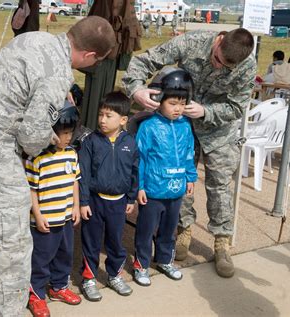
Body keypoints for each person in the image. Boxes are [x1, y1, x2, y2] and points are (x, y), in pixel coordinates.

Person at [0, 16, 116, 317]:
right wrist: (55, 136)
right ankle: (8, 311)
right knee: (11, 246)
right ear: (89, 56)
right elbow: (32, 139)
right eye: (97, 61)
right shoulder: (56, 74)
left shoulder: (34, 38)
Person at [122, 28, 257, 278]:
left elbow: (237, 106)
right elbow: (144, 60)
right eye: (217, 60)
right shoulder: (192, 42)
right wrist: (136, 90)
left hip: (218, 131)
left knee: (220, 186)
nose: (219, 68)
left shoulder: (247, 65)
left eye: (226, 68)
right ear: (218, 41)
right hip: (180, 127)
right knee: (180, 180)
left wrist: (207, 112)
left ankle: (222, 242)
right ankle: (183, 230)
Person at [132, 68, 197, 286]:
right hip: (153, 190)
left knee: (169, 230)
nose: (178, 109)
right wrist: (139, 186)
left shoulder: (185, 126)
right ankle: (141, 264)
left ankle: (164, 259)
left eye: (182, 103)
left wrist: (190, 177)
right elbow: (139, 158)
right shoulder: (149, 127)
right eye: (172, 103)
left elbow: (189, 154)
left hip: (176, 189)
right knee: (146, 230)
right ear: (159, 101)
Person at [78, 92, 138, 301]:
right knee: (91, 242)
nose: (102, 120)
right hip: (94, 202)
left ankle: (114, 275)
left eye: (108, 115)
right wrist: (83, 201)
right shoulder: (90, 142)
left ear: (123, 120)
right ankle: (89, 278)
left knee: (115, 242)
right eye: (100, 114)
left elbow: (134, 171)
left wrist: (131, 198)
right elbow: (83, 174)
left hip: (118, 203)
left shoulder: (130, 143)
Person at [25, 102, 82, 317]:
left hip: (65, 218)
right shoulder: (36, 158)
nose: (67, 137)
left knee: (64, 255)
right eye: (63, 133)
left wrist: (76, 207)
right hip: (45, 222)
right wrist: (37, 215)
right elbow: (31, 190)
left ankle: (59, 287)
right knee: (40, 259)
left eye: (70, 132)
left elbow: (75, 181)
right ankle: (36, 295)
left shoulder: (71, 153)